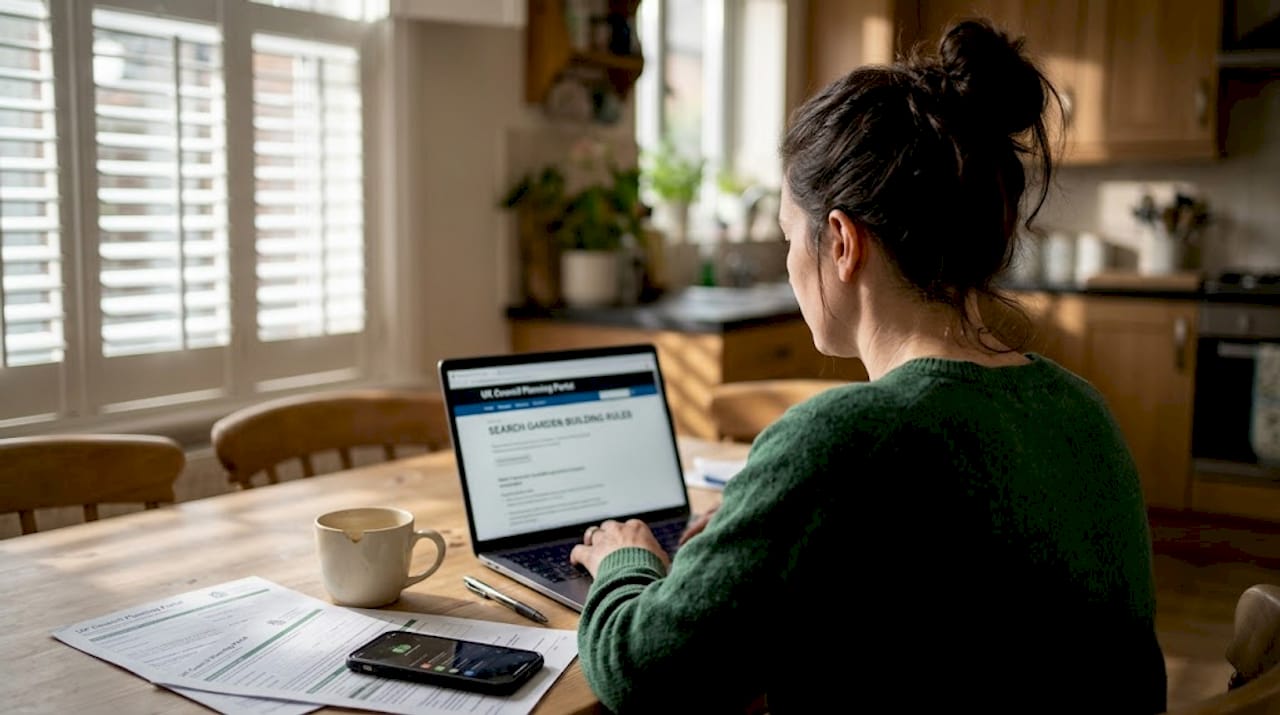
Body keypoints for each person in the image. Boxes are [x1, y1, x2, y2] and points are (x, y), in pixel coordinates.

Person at [569, 18, 1167, 715]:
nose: (792, 265)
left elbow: (643, 673)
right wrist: (746, 542)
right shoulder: (1081, 407)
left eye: (792, 237)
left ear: (842, 242)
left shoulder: (847, 437)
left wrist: (625, 559)